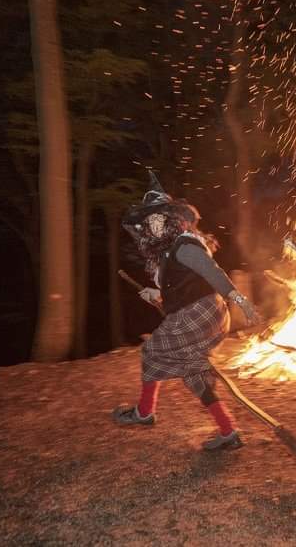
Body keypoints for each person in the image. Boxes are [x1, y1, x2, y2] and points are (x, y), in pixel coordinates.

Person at [113, 172, 262, 451]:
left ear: (171, 219)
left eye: (159, 218)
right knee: (194, 372)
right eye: (148, 221)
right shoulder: (168, 252)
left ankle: (145, 413)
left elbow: (212, 272)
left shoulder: (184, 245)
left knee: (152, 351)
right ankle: (228, 431)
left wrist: (240, 300)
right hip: (201, 314)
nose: (153, 225)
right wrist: (156, 294)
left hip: (199, 313)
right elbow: (182, 288)